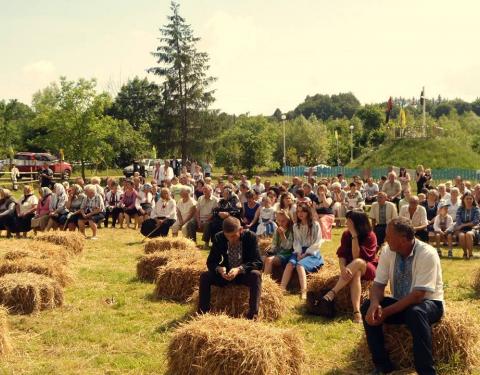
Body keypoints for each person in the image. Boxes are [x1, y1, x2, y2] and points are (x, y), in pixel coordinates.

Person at [361, 217, 444, 375]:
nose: (385, 239)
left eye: (389, 236)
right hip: (401, 302)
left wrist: (385, 312)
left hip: (429, 303)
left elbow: (418, 295)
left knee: (416, 313)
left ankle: (426, 371)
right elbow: (378, 284)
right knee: (366, 307)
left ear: (404, 239)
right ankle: (382, 365)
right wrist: (374, 305)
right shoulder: (387, 250)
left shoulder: (427, 253)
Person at [198, 217, 263, 320]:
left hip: (243, 274)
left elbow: (258, 262)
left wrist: (239, 269)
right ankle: (202, 314)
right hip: (225, 275)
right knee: (205, 277)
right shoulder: (219, 237)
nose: (231, 240)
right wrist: (219, 269)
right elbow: (211, 262)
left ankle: (252, 316)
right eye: (228, 236)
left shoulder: (251, 237)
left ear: (241, 230)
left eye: (233, 236)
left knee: (256, 275)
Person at [321, 211, 378, 323]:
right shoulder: (346, 234)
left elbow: (358, 257)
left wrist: (354, 236)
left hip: (368, 267)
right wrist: (342, 268)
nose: (346, 222)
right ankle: (357, 313)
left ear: (357, 222)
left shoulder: (370, 235)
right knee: (355, 274)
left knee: (357, 262)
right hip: (352, 269)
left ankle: (333, 292)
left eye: (349, 220)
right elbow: (342, 254)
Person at [280, 203, 324, 299]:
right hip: (299, 251)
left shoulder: (315, 225)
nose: (300, 214)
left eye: (303, 211)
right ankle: (281, 289)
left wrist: (306, 253)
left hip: (312, 252)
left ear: (307, 212)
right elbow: (297, 241)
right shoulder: (296, 226)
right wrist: (299, 252)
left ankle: (304, 291)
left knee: (300, 265)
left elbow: (318, 242)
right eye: (298, 211)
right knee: (290, 264)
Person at [263, 209, 294, 275]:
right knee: (263, 258)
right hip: (278, 252)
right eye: (279, 221)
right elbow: (274, 243)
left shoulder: (291, 231)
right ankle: (260, 276)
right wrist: (271, 249)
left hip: (287, 254)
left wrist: (282, 235)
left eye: (283, 221)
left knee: (269, 260)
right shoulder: (277, 230)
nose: (280, 223)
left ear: (288, 220)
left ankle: (266, 281)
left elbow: (288, 247)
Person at [455, 192, 480, 259]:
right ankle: (465, 253)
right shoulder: (460, 209)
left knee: (469, 234)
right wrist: (464, 225)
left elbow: (475, 221)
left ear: (473, 200)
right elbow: (458, 220)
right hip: (462, 229)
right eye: (467, 199)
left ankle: (471, 254)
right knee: (461, 235)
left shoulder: (476, 209)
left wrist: (463, 225)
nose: (469, 200)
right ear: (463, 200)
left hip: (473, 229)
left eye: (470, 199)